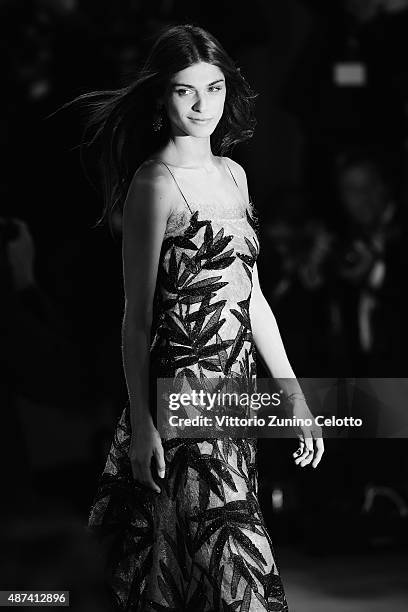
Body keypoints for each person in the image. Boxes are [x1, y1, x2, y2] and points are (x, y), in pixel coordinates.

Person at [77, 24, 324, 611]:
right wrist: (142, 424)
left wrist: (294, 396)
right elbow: (135, 320)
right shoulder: (153, 184)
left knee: (188, 568)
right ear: (162, 98)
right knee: (232, 561)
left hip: (233, 398)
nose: (202, 105)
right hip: (180, 396)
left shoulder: (234, 176)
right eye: (185, 91)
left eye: (213, 89)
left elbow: (253, 296)